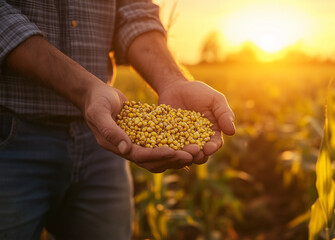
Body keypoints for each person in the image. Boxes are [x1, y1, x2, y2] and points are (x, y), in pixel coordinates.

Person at [0, 0, 235, 239]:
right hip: (9, 137)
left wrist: (172, 81)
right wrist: (85, 89)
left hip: (106, 141)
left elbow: (134, 11)